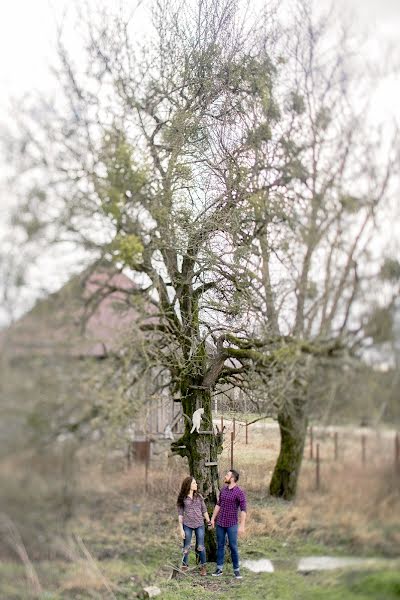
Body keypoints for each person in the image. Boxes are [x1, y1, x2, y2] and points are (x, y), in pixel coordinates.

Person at [210, 469, 247, 579]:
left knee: (233, 546)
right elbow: (218, 505)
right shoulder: (223, 490)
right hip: (220, 523)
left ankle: (236, 570)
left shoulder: (239, 492)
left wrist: (242, 525)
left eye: (227, 475)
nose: (225, 476)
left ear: (232, 478)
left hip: (232, 524)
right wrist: (212, 519)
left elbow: (243, 510)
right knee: (220, 546)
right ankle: (219, 569)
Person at [177, 476, 212, 576]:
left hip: (199, 524)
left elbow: (204, 510)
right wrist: (181, 529)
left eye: (195, 483)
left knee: (200, 546)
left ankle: (203, 567)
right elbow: (180, 514)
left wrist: (209, 522)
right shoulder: (182, 498)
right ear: (189, 485)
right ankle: (184, 565)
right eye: (194, 483)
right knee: (186, 547)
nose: (196, 485)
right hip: (187, 525)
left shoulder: (199, 497)